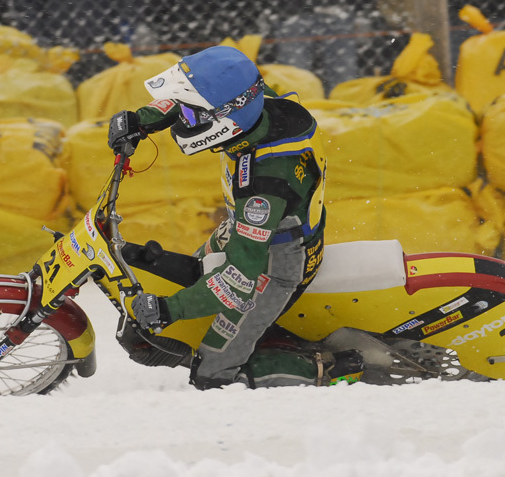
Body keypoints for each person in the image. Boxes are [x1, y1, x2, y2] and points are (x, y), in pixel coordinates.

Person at [107, 45, 362, 389]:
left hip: (276, 260)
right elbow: (191, 103)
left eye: (194, 115)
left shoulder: (264, 185)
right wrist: (141, 120)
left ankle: (333, 369)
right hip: (243, 230)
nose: (185, 120)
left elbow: (239, 280)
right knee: (190, 280)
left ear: (226, 119)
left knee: (212, 375)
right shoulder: (258, 105)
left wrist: (170, 310)